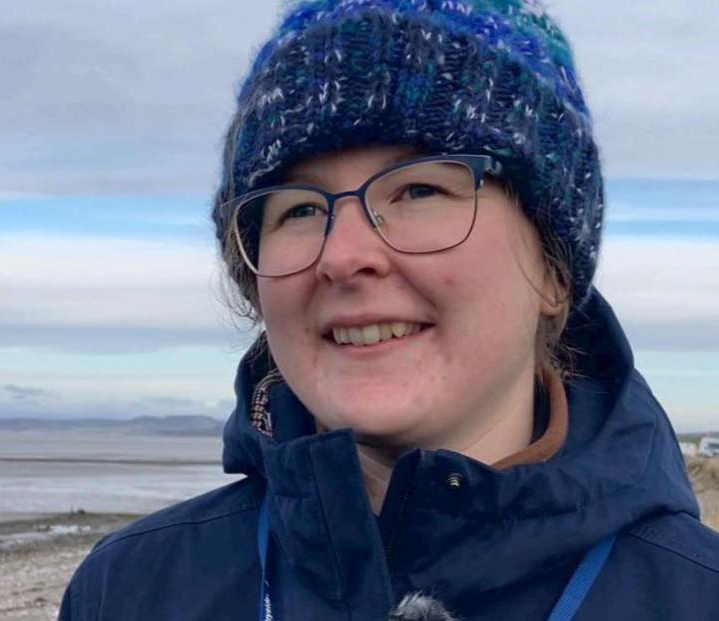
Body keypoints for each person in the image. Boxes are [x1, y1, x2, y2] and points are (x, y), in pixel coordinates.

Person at [58, 1, 719, 619]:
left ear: (552, 269)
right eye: (300, 208)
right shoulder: (128, 589)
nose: (343, 256)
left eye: (420, 189)